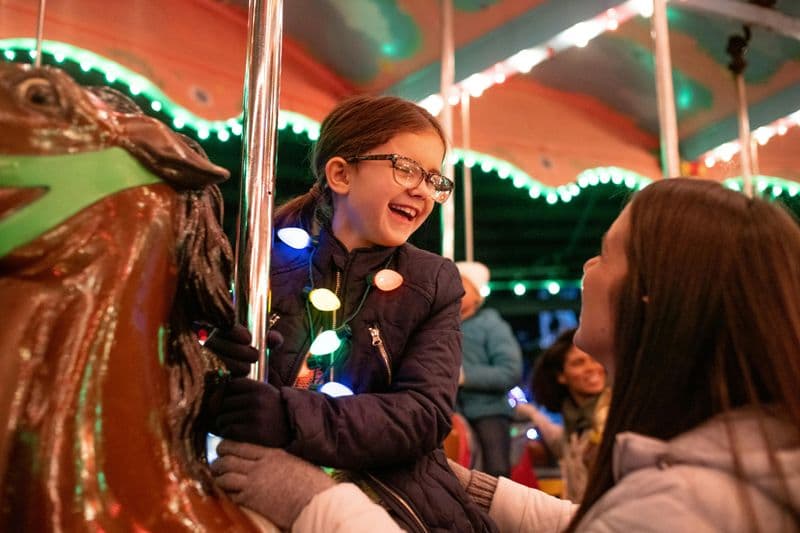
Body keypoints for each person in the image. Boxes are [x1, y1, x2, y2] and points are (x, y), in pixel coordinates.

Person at [214, 178, 800, 532]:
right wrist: (475, 489)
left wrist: (320, 505)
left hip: (482, 407)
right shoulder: (711, 470)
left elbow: (431, 403)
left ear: (658, 295)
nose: (587, 270)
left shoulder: (680, 509)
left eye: (604, 254)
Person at [206, 95, 495, 531]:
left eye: (433, 178)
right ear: (341, 173)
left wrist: (287, 417)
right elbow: (201, 393)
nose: (422, 188)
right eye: (406, 167)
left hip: (388, 492)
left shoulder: (432, 281)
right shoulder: (260, 264)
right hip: (258, 477)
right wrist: (214, 364)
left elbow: (423, 414)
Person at [517, 327, 609, 502]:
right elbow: (558, 441)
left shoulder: (613, 415)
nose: (591, 368)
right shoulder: (574, 425)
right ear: (561, 376)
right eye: (578, 363)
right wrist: (531, 413)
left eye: (594, 359)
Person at [455, 261, 523, 477]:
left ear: (477, 296)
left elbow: (510, 370)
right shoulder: (441, 325)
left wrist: (464, 376)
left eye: (462, 285)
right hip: (450, 409)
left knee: (496, 471)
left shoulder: (491, 324)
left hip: (488, 410)